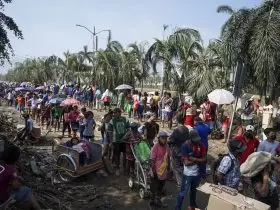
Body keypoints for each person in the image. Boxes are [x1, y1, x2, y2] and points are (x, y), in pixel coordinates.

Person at [175, 130, 207, 210]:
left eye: (198, 139)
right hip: (188, 174)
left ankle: (192, 205)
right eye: (195, 140)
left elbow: (205, 158)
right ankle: (177, 207)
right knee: (183, 193)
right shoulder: (185, 146)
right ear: (191, 139)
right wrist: (199, 160)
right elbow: (186, 163)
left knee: (194, 191)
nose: (197, 141)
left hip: (196, 173)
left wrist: (194, 159)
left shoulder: (201, 145)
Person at [150, 131, 170, 208]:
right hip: (156, 172)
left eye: (165, 138)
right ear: (158, 138)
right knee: (155, 188)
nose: (164, 140)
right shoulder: (155, 147)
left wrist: (169, 169)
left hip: (164, 171)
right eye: (162, 138)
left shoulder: (167, 146)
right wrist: (154, 172)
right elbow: (152, 160)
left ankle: (155, 201)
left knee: (160, 188)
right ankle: (154, 202)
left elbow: (168, 157)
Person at [108, 108, 130, 176]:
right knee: (117, 155)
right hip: (116, 141)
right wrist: (111, 142)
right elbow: (110, 132)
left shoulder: (125, 119)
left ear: (120, 113)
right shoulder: (112, 121)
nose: (114, 114)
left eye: (116, 112)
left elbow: (128, 129)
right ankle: (117, 169)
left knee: (125, 155)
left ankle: (124, 167)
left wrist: (126, 137)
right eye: (114, 113)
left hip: (124, 140)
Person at [169, 114, 189, 188]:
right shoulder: (186, 128)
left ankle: (180, 183)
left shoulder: (177, 130)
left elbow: (171, 140)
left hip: (176, 150)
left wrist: (168, 138)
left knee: (176, 167)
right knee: (182, 165)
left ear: (177, 120)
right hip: (184, 150)